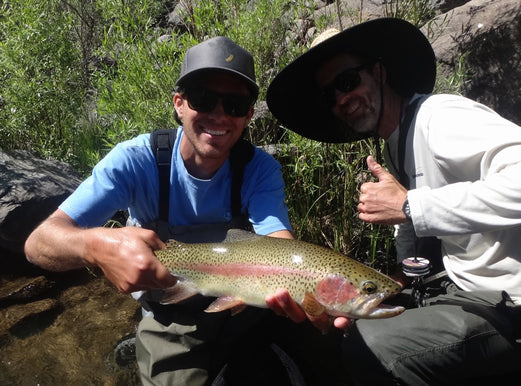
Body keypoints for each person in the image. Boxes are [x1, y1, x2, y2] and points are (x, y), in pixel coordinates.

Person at [24, 36, 337, 386]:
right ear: (179, 104)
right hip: (170, 315)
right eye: (204, 99)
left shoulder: (259, 169)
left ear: (249, 114)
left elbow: (278, 243)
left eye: (235, 104)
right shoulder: (135, 161)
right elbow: (39, 243)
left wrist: (310, 285)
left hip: (244, 309)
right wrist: (96, 246)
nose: (219, 115)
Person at [266, 17, 521, 385]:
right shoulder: (395, 145)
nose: (342, 99)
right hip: (461, 289)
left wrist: (411, 206)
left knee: (369, 346)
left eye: (347, 81)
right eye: (330, 95)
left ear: (378, 72)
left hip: (516, 306)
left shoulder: (439, 117)